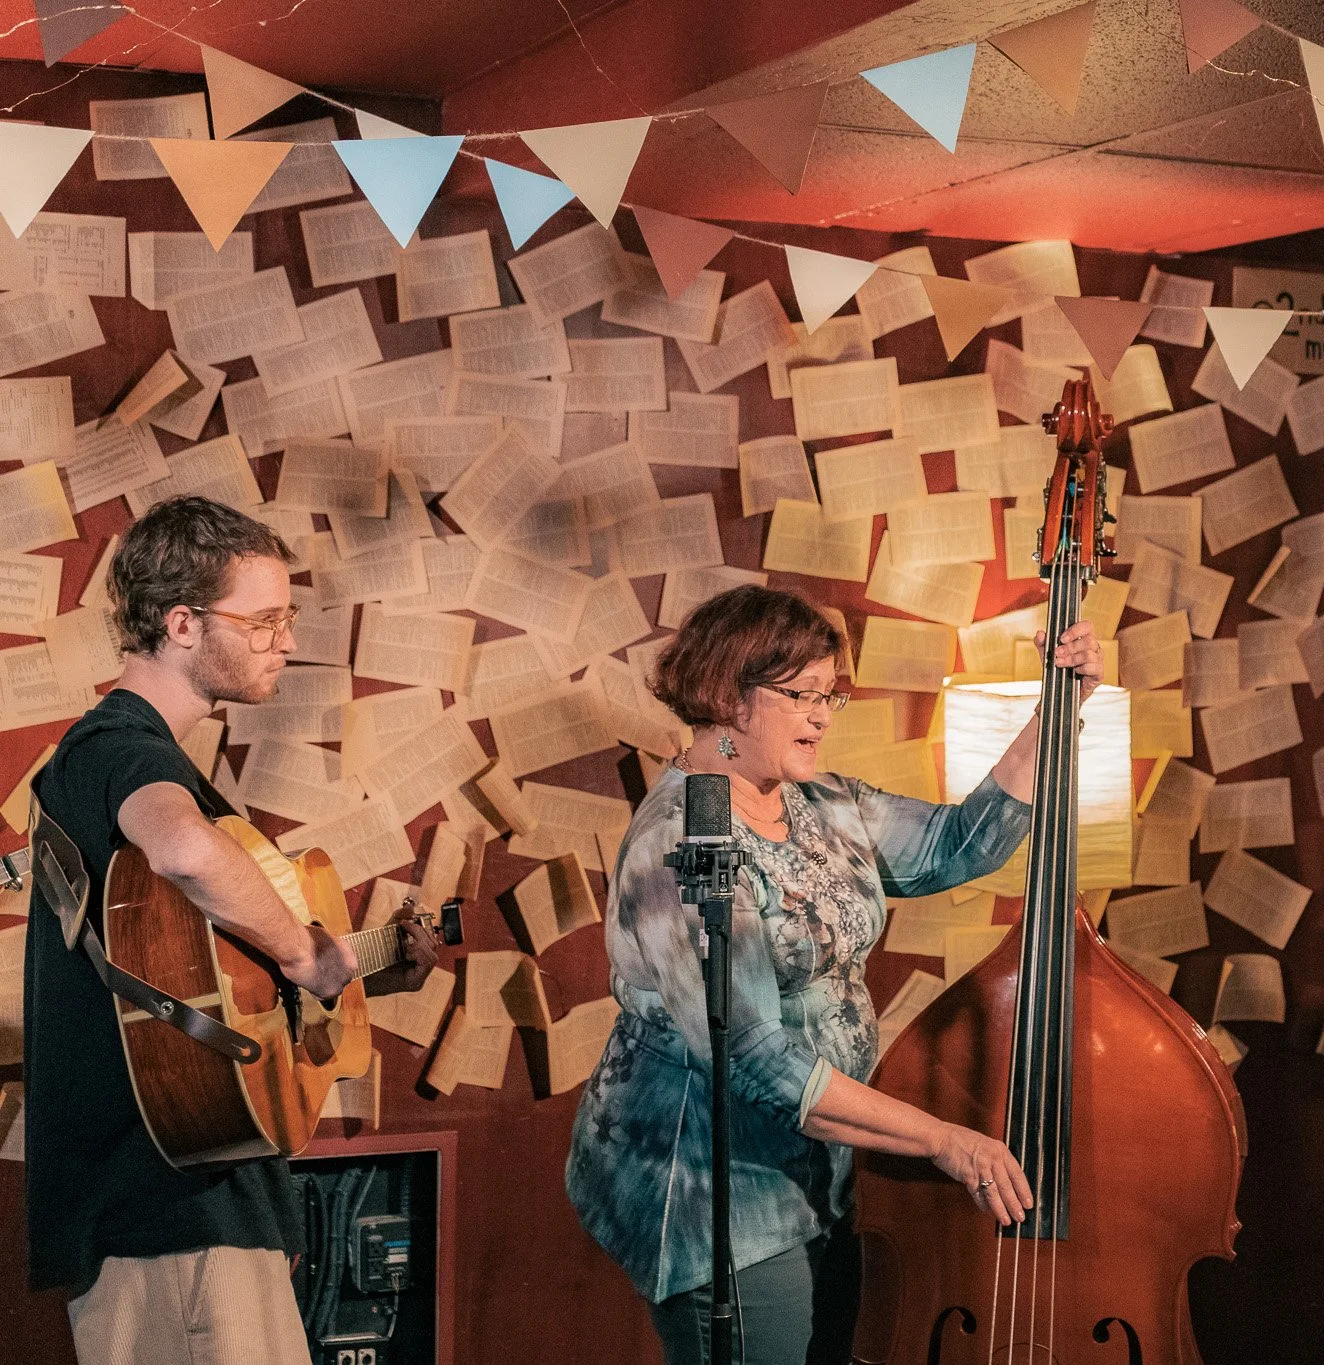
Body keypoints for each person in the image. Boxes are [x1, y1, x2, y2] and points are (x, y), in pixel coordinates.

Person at [566, 585, 1105, 1365]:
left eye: (831, 695)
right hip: (716, 1194)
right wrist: (944, 1141)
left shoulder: (819, 798)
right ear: (727, 694)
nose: (822, 715)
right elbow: (756, 1059)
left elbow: (957, 844)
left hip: (822, 1169)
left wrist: (1056, 711)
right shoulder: (678, 844)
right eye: (801, 695)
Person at [22, 496, 439, 1365]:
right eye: (265, 620)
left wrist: (360, 965)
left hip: (204, 1206)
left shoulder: (149, 759)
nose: (286, 640)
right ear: (181, 622)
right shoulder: (116, 748)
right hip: (165, 1216)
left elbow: (212, 981)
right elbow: (182, 849)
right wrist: (298, 948)